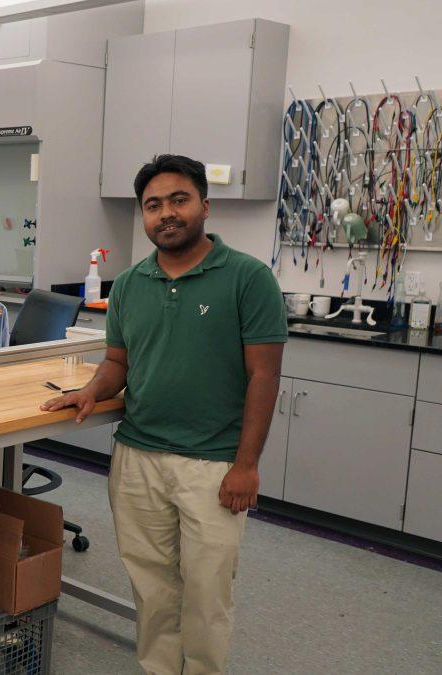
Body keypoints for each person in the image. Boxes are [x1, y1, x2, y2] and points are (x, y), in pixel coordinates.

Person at [41, 154, 286, 674]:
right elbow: (117, 362)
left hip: (213, 464)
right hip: (137, 457)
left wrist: (246, 465)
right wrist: (90, 391)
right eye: (153, 205)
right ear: (143, 216)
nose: (166, 213)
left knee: (205, 594)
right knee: (152, 590)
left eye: (179, 199)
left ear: (204, 206)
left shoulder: (247, 278)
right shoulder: (129, 284)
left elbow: (264, 377)